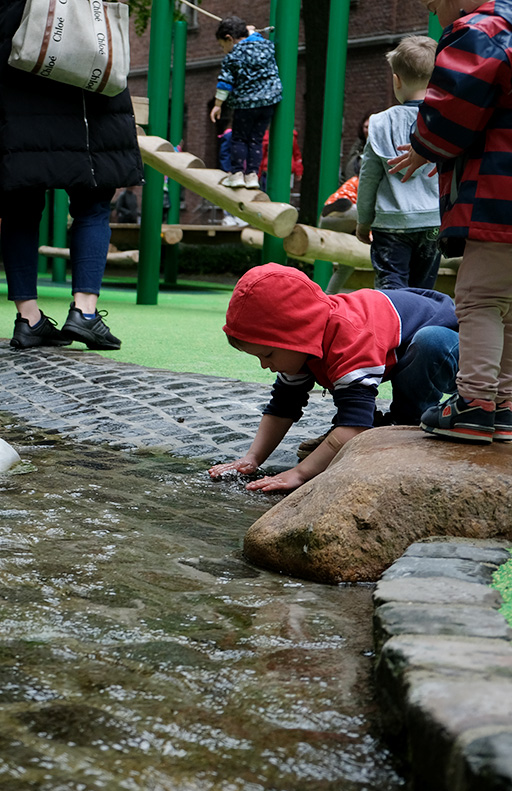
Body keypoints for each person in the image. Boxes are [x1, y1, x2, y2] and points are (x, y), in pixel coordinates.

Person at [0, 0, 142, 351]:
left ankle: (28, 319)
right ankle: (85, 312)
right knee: (93, 195)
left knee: (21, 200)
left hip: (7, 71)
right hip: (74, 67)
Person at [208, 265, 459, 491]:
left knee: (429, 343)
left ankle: (408, 423)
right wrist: (251, 458)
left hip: (459, 346)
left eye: (268, 354)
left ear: (296, 336)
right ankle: (382, 424)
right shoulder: (302, 343)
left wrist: (300, 473)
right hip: (401, 346)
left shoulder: (350, 338)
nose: (265, 365)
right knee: (351, 414)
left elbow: (354, 427)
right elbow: (282, 406)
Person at [389, 0, 512, 444]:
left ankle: (475, 404)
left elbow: (453, 109)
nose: (426, 4)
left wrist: (425, 143)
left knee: (479, 300)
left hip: (500, 193)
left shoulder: (482, 29)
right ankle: (504, 404)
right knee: (510, 305)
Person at [354, 36, 442, 291]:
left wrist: (364, 219)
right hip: (432, 221)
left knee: (390, 290)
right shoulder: (445, 123)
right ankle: (417, 331)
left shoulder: (380, 123)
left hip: (390, 222)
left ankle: (392, 330)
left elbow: (369, 177)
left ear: (396, 80)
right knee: (423, 291)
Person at [209, 17, 283, 190]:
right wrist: (250, 32)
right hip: (268, 101)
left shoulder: (233, 56)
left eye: (222, 45)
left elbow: (225, 83)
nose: (224, 50)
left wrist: (218, 104)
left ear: (229, 38)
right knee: (256, 140)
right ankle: (252, 176)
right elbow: (253, 38)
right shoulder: (266, 46)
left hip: (245, 103)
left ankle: (236, 175)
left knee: (239, 138)